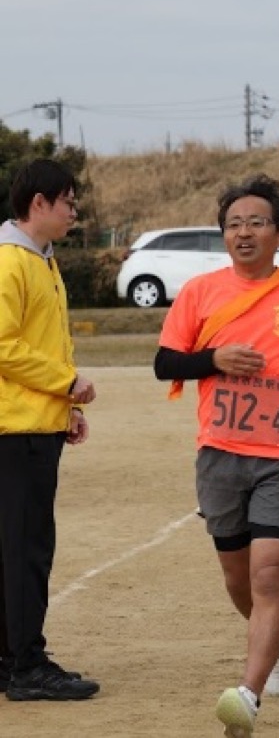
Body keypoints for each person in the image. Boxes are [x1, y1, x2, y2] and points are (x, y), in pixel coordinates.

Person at [153, 173, 279, 738]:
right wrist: (214, 359)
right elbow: (165, 363)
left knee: (268, 572)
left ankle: (248, 694)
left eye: (257, 222)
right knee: (238, 578)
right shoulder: (200, 292)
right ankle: (277, 639)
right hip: (219, 455)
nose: (244, 232)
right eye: (234, 224)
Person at [0, 159, 100, 702]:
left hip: (33, 422)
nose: (73, 211)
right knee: (26, 549)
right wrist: (67, 382)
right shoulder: (9, 261)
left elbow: (44, 340)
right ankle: (27, 665)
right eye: (67, 201)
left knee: (15, 547)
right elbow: (3, 345)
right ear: (37, 203)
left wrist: (66, 407)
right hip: (15, 430)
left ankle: (9, 658)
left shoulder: (40, 259)